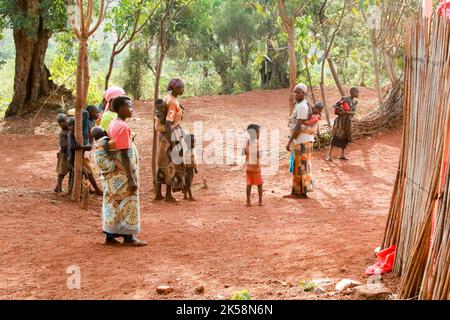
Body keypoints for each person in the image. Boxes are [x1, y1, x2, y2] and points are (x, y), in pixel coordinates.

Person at [102, 95, 146, 246]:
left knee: (114, 201)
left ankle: (110, 235)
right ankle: (129, 237)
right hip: (123, 172)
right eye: (129, 106)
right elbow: (125, 154)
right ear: (120, 108)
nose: (132, 109)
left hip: (116, 174)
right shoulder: (123, 127)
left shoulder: (114, 123)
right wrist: (132, 178)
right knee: (128, 201)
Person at [154, 78, 186, 202]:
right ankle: (168, 195)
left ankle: (158, 194)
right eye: (180, 88)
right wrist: (171, 141)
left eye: (182, 87)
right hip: (170, 136)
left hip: (164, 136)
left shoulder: (167, 98)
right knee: (171, 165)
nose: (182, 89)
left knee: (162, 164)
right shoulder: (172, 102)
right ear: (174, 88)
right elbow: (168, 122)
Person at [284, 83, 315, 199]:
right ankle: (302, 192)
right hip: (303, 140)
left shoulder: (302, 106)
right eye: (295, 92)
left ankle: (297, 192)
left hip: (302, 140)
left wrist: (289, 142)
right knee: (303, 166)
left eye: (299, 92)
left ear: (304, 93)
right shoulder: (301, 105)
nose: (296, 94)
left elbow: (298, 127)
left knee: (299, 166)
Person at [325, 87, 360, 161]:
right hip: (340, 121)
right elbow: (335, 105)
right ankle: (329, 156)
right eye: (357, 92)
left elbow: (354, 112)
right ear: (352, 93)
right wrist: (342, 110)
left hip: (348, 121)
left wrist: (347, 112)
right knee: (335, 136)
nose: (358, 94)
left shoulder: (355, 102)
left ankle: (342, 155)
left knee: (345, 137)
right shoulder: (345, 99)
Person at [244, 124, 263, 206]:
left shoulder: (246, 142)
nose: (259, 134)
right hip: (256, 167)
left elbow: (244, 152)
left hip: (248, 166)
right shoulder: (257, 143)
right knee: (259, 184)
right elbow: (259, 155)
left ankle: (248, 201)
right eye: (258, 133)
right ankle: (260, 201)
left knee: (249, 184)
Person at [55, 114, 70, 193]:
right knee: (62, 172)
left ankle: (57, 187)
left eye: (63, 121)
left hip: (68, 154)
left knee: (66, 171)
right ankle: (59, 188)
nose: (62, 123)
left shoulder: (70, 129)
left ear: (67, 119)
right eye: (59, 122)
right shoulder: (63, 133)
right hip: (64, 154)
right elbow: (63, 145)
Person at [183, 134, 198, 201]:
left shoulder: (192, 150)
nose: (193, 143)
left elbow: (194, 160)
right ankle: (190, 196)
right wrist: (185, 171)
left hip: (191, 168)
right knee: (188, 182)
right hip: (187, 168)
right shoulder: (186, 151)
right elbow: (185, 162)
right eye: (192, 142)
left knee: (188, 182)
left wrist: (195, 168)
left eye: (194, 142)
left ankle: (185, 195)